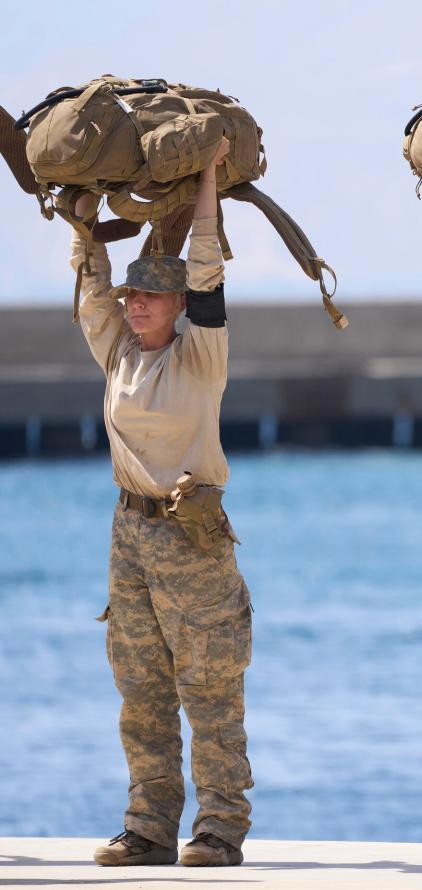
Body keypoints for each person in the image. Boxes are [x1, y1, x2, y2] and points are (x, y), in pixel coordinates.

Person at [73, 138, 254, 868]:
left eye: (150, 295)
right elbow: (91, 293)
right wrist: (84, 225)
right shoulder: (118, 353)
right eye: (132, 295)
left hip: (193, 533)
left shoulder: (199, 355)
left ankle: (219, 829)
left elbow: (209, 266)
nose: (135, 303)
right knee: (139, 684)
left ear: (179, 305)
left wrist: (208, 177)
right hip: (130, 533)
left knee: (209, 686)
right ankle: (148, 825)